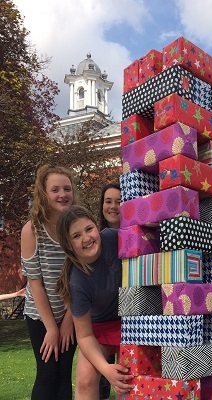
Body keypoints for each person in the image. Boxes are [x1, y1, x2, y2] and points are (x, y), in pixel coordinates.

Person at [56, 205, 133, 399]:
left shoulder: (113, 237)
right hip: (99, 328)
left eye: (89, 229)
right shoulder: (76, 282)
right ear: (68, 245)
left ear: (97, 228)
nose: (86, 238)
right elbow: (84, 336)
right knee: (85, 379)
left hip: (132, 320)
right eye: (76, 236)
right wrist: (106, 369)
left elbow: (144, 240)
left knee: (134, 375)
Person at [21, 164, 78, 400]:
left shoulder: (75, 229)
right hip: (40, 316)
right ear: (44, 194)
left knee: (64, 374)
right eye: (55, 189)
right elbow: (35, 283)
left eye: (67, 188)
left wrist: (67, 321)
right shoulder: (32, 230)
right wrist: (52, 328)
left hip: (71, 314)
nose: (62, 194)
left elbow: (81, 279)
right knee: (47, 373)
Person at [97, 182, 121, 400]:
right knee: (99, 381)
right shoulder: (95, 238)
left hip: (129, 320)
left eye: (119, 201)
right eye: (108, 201)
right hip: (102, 320)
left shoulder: (140, 234)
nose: (113, 206)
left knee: (126, 379)